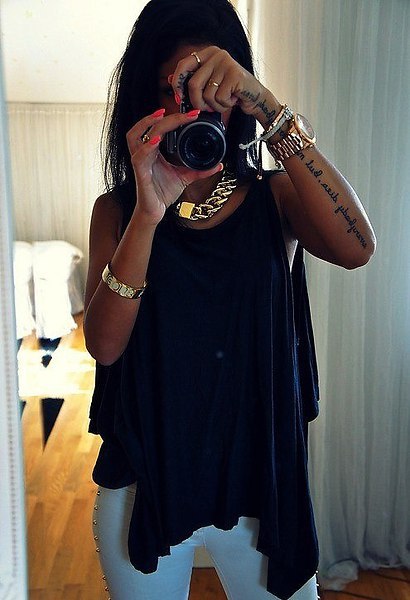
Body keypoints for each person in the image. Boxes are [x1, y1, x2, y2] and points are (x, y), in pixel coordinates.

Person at [84, 1, 376, 599]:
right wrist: (148, 214)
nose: (195, 108)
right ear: (146, 99)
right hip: (146, 481)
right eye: (175, 91)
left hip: (260, 481)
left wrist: (269, 107)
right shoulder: (118, 210)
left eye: (211, 88)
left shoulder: (277, 196)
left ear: (236, 96)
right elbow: (105, 348)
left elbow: (357, 248)